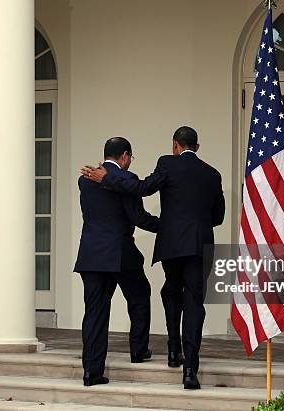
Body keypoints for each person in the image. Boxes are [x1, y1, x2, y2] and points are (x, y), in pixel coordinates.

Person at [82, 126, 225, 389]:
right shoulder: (212, 174)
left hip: (143, 248)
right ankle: (186, 369)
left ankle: (170, 352)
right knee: (188, 301)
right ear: (197, 147)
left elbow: (144, 188)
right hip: (192, 245)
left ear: (175, 145)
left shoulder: (164, 164)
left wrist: (170, 226)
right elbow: (218, 217)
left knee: (168, 291)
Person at [74, 137, 159, 387]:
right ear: (124, 155)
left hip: (90, 254)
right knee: (140, 295)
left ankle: (91, 371)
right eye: (131, 158)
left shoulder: (85, 179)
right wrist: (168, 227)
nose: (130, 162)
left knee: (95, 313)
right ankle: (138, 350)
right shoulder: (128, 180)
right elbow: (139, 217)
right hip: (120, 253)